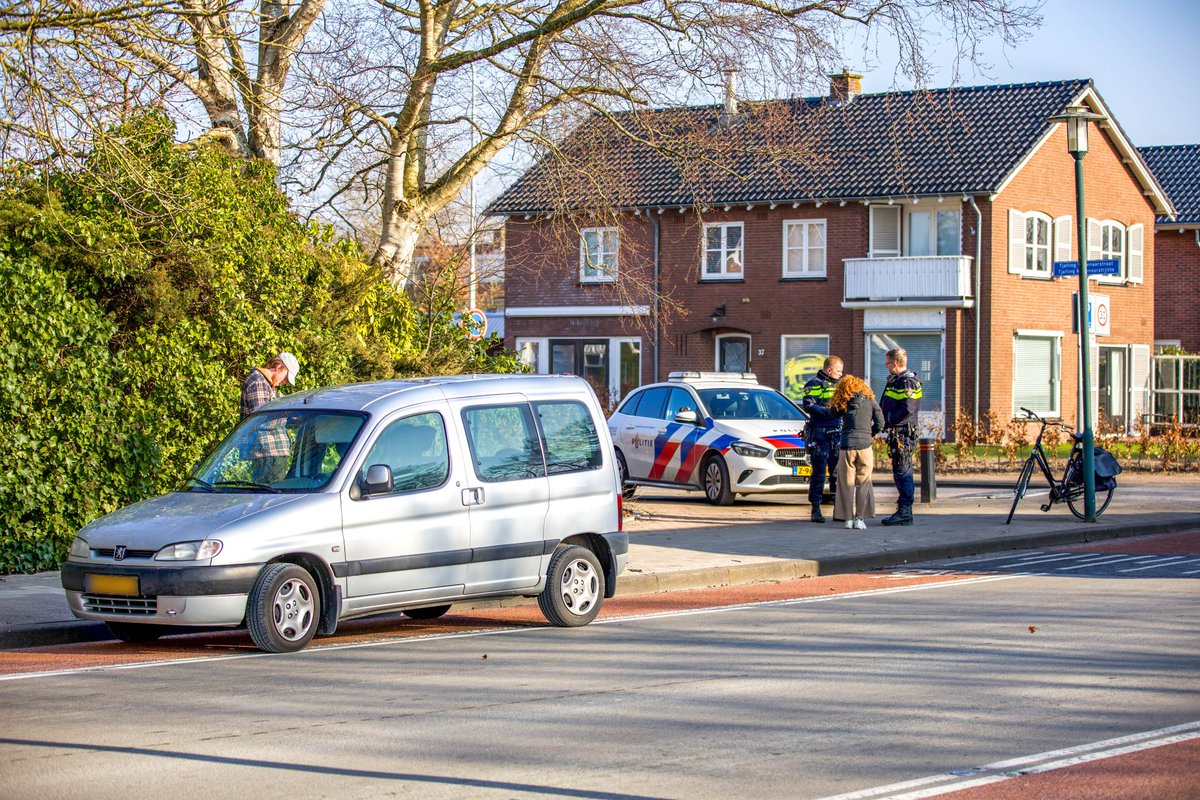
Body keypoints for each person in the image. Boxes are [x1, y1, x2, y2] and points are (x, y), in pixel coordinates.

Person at [829, 374, 884, 530]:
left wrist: (839, 398)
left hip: (847, 446)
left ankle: (847, 519)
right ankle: (860, 518)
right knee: (864, 483)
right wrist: (869, 434)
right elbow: (880, 423)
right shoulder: (871, 401)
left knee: (845, 484)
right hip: (865, 446)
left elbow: (832, 413)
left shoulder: (844, 402)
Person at [240, 352, 299, 483]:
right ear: (278, 367)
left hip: (270, 451)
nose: (284, 382)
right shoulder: (258, 382)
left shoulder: (266, 384)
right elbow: (262, 420)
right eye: (285, 377)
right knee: (270, 491)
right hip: (266, 452)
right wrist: (287, 414)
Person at [879, 347, 923, 526]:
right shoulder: (896, 381)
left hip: (903, 433)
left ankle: (905, 511)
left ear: (895, 363)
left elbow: (907, 408)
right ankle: (903, 510)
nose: (886, 366)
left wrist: (888, 419)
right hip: (898, 432)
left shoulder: (907, 383)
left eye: (887, 363)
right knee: (900, 470)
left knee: (903, 472)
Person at [800, 356, 844, 523]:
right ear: (829, 370)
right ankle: (816, 509)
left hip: (837, 432)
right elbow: (809, 405)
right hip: (820, 433)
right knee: (819, 472)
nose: (841, 374)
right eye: (838, 371)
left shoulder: (840, 385)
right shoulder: (814, 383)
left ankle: (838, 508)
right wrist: (828, 412)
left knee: (836, 472)